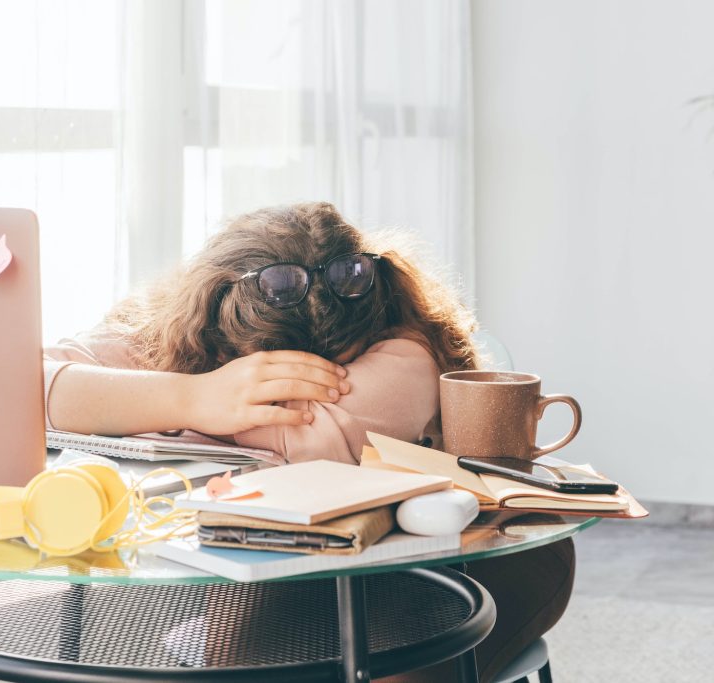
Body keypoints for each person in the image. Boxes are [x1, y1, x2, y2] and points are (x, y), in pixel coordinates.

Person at [43, 201, 574, 682]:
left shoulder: (409, 348)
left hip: (470, 563)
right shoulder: (161, 337)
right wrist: (194, 396)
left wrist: (138, 404)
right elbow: (17, 384)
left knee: (403, 664)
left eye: (334, 369)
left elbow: (315, 444)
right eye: (261, 371)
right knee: (242, 661)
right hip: (296, 573)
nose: (277, 389)